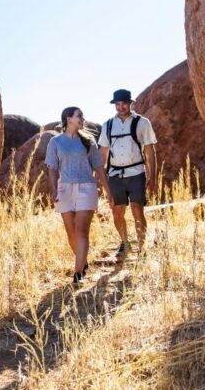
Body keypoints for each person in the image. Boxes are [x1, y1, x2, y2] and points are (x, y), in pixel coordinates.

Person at [46, 106, 111, 285]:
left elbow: (99, 167)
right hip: (64, 189)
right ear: (69, 119)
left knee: (81, 230)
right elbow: (52, 168)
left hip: (86, 189)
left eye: (82, 115)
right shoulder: (55, 142)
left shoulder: (88, 141)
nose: (83, 118)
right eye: (79, 116)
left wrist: (107, 191)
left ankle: (78, 274)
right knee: (71, 233)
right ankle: (83, 262)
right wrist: (54, 189)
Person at [99, 89, 157, 259]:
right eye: (117, 104)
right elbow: (103, 153)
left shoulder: (142, 123)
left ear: (130, 103)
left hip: (136, 172)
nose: (120, 107)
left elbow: (150, 151)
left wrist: (152, 177)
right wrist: (100, 178)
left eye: (124, 103)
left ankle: (142, 247)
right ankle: (125, 243)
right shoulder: (107, 125)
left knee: (137, 209)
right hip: (115, 175)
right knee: (117, 212)